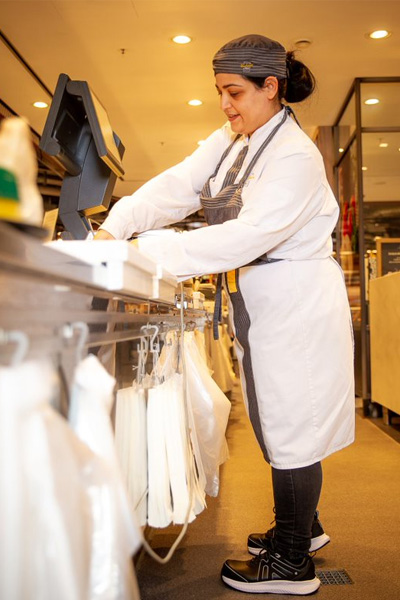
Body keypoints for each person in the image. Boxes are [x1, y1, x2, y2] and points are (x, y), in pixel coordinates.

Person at [95, 34, 355, 596]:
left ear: (271, 87)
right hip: (262, 296)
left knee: (292, 423)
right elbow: (178, 186)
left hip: (295, 298)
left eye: (234, 91)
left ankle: (292, 564)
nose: (225, 104)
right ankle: (301, 528)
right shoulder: (236, 138)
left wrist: (147, 251)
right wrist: (116, 226)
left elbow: (248, 234)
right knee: (273, 414)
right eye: (219, 92)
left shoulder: (294, 157)